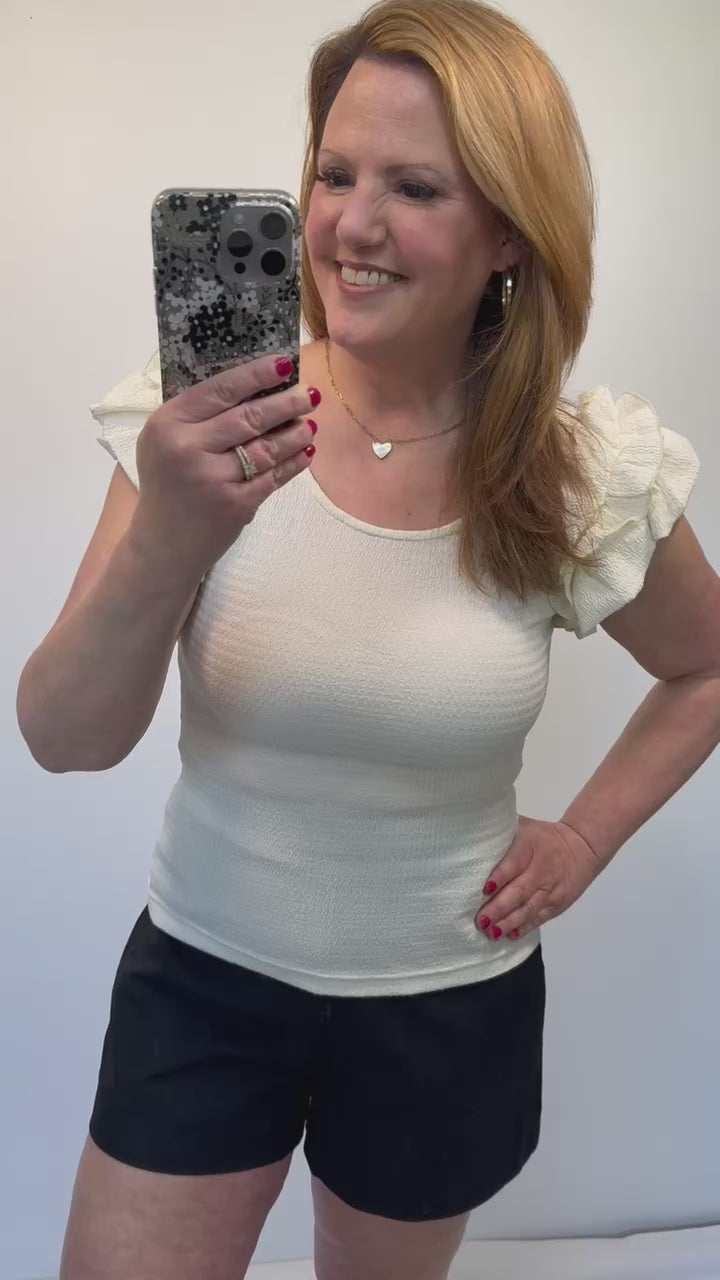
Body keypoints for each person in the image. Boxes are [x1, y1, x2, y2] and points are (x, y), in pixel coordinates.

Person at [16, 0, 720, 1277]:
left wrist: (584, 837)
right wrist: (172, 531)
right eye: (335, 174)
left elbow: (707, 666)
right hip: (203, 982)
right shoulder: (201, 423)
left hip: (445, 1007)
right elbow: (63, 737)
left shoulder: (578, 468)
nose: (351, 224)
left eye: (416, 187)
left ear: (508, 231)